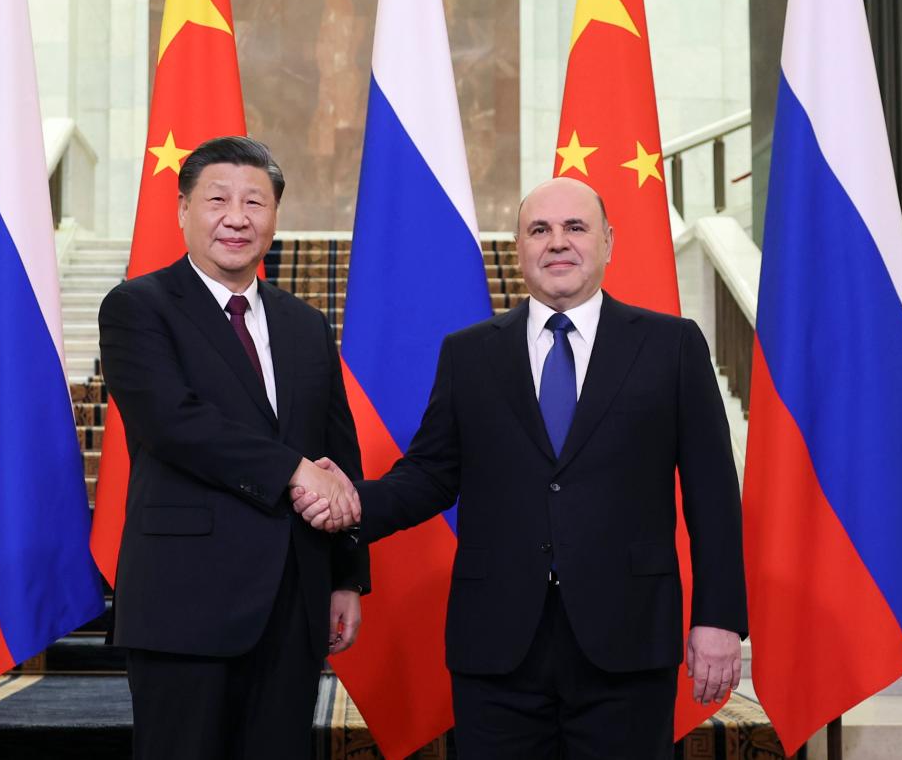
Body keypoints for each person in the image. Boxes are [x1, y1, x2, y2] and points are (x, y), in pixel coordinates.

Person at [294, 177, 747, 759]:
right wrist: (350, 501)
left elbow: (713, 495)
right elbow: (430, 475)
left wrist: (718, 618)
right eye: (539, 230)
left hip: (628, 640)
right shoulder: (469, 353)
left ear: (608, 241)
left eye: (575, 227)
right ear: (518, 248)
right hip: (498, 646)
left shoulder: (672, 346)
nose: (557, 242)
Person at [99, 136, 366, 760]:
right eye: (218, 200)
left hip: (293, 600)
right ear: (183, 210)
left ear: (274, 216)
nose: (237, 218)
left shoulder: (305, 324)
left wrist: (347, 577)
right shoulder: (138, 307)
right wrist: (293, 470)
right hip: (184, 601)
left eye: (255, 202)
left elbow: (337, 451)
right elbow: (173, 424)